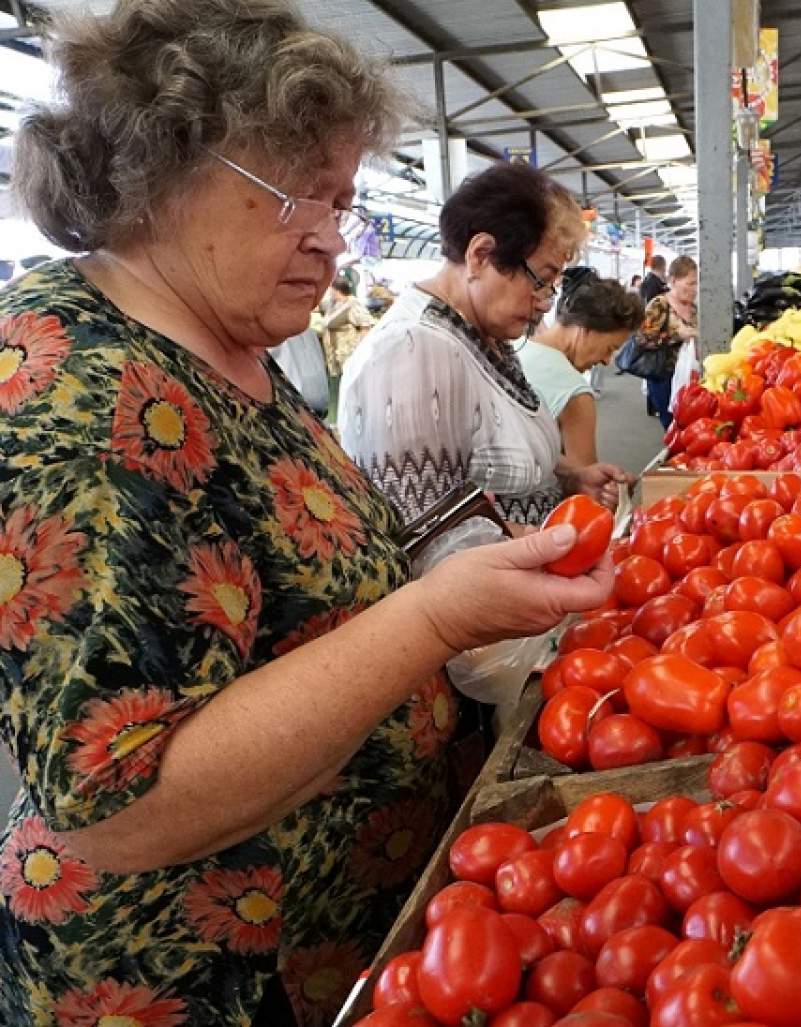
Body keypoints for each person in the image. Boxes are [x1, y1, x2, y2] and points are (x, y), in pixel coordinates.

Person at [0, 3, 613, 1025]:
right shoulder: (80, 391)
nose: (335, 242)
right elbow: (122, 806)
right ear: (163, 172)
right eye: (302, 198)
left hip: (333, 924)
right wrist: (432, 618)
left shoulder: (224, 340)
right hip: (202, 974)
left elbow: (282, 581)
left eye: (346, 203)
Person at [340, 162, 632, 527]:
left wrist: (569, 478)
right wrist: (543, 544)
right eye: (540, 280)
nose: (545, 301)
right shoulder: (415, 352)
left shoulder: (483, 336)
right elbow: (427, 534)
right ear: (481, 255)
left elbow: (486, 461)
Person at [520, 271, 643, 466]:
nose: (607, 361)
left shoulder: (515, 349)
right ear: (585, 330)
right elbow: (585, 482)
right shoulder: (575, 394)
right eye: (609, 348)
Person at [633, 254, 697, 429]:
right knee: (671, 424)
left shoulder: (695, 308)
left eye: (696, 283)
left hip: (689, 375)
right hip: (663, 376)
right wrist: (674, 335)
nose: (694, 289)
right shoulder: (659, 304)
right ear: (674, 280)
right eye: (690, 283)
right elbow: (642, 338)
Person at [321, 275, 373, 417]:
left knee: (352, 387)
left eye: (331, 289)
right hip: (337, 352)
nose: (330, 292)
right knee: (340, 386)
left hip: (348, 351)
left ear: (336, 290)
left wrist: (360, 350)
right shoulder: (334, 304)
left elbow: (365, 325)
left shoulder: (353, 304)